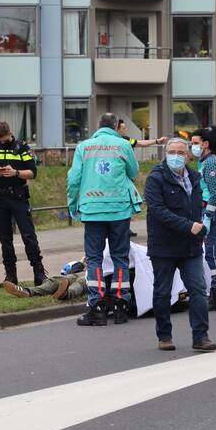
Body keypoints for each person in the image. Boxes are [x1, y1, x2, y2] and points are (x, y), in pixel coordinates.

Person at [67, 112, 142, 327]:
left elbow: (73, 179)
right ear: (116, 127)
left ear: (98, 126)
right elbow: (133, 172)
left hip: (92, 210)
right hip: (119, 210)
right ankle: (120, 306)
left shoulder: (84, 147)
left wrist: (73, 205)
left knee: (94, 259)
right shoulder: (123, 145)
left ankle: (97, 307)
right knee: (120, 258)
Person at [145, 137, 216, 352]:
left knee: (198, 290)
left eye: (180, 152)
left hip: (190, 246)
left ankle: (201, 337)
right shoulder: (155, 178)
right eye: (172, 152)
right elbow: (158, 211)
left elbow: (200, 206)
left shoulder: (194, 177)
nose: (176, 156)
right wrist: (188, 226)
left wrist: (203, 224)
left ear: (187, 156)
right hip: (163, 246)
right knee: (163, 292)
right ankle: (164, 336)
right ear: (166, 154)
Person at [0, 121, 46, 287]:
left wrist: (16, 173)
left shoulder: (22, 147)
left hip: (18, 197)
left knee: (28, 235)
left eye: (4, 139)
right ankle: (10, 276)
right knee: (5, 238)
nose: (2, 142)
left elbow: (32, 172)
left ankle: (39, 273)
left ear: (10, 133)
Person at [191, 126, 216, 311]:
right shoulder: (208, 162)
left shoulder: (209, 164)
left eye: (195, 143)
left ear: (206, 144)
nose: (193, 146)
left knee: (213, 253)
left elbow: (215, 193)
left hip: (215, 210)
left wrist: (207, 215)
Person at [117, 119, 165, 238]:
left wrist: (156, 141)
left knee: (127, 202)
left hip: (127, 176)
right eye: (123, 128)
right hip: (117, 178)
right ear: (117, 129)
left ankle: (125, 227)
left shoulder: (126, 140)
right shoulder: (114, 142)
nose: (126, 129)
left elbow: (140, 143)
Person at [2, 259, 89, 301]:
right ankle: (27, 291)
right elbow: (81, 262)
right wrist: (82, 262)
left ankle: (65, 294)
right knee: (58, 280)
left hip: (95, 275)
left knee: (82, 281)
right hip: (85, 270)